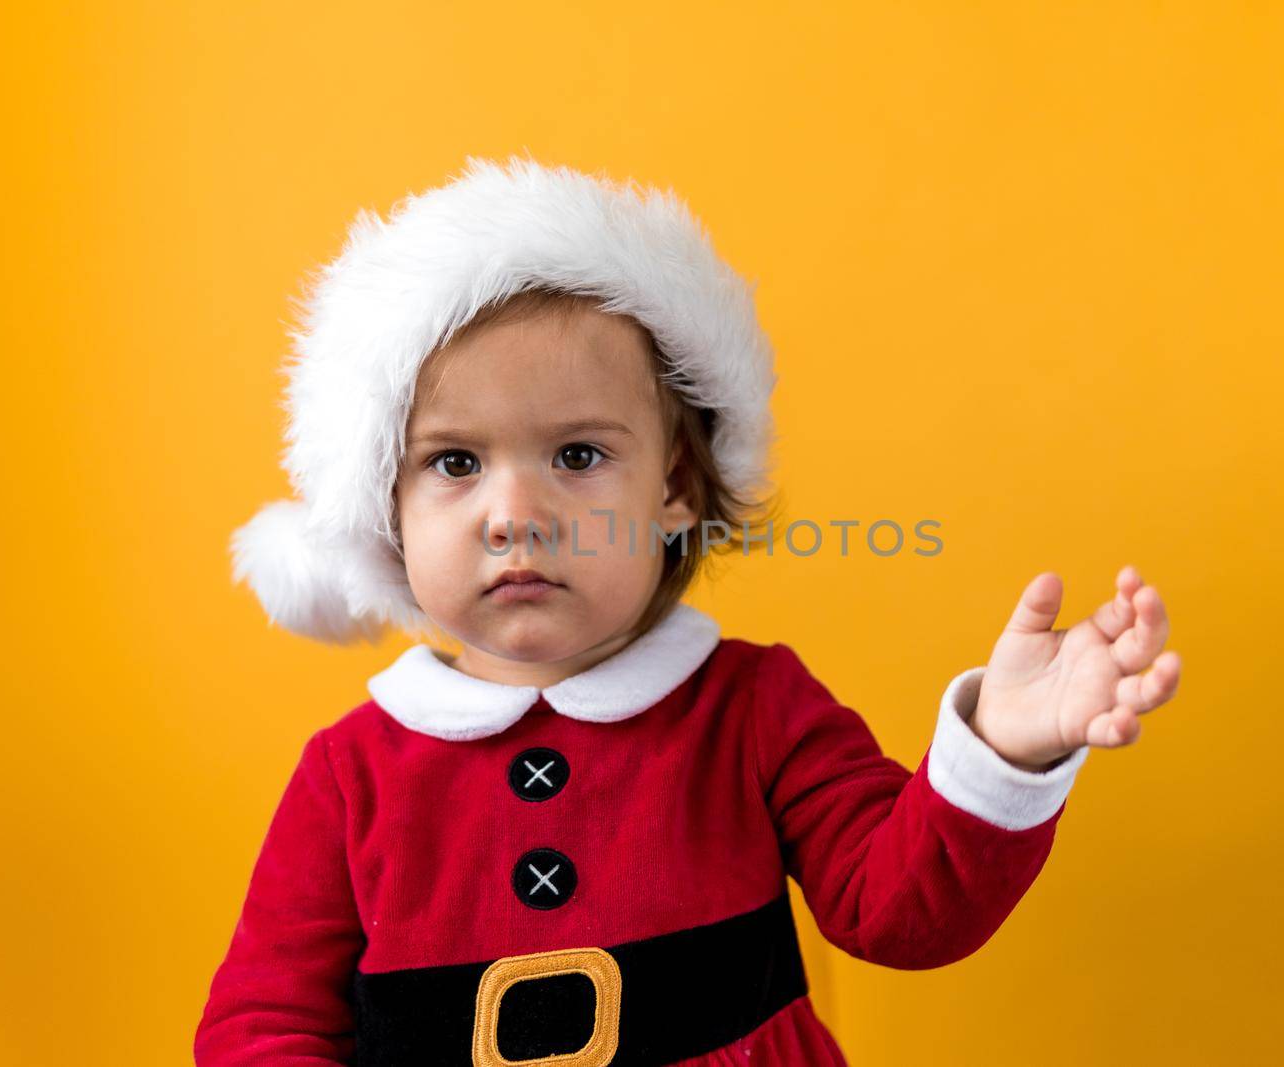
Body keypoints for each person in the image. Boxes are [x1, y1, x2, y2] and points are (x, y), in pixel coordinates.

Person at [195, 155, 1182, 1066]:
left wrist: (1001, 750)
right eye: (455, 462)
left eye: (577, 455)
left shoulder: (755, 708)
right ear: (386, 508)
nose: (515, 515)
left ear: (673, 486)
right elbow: (261, 1021)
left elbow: (901, 912)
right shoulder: (349, 773)